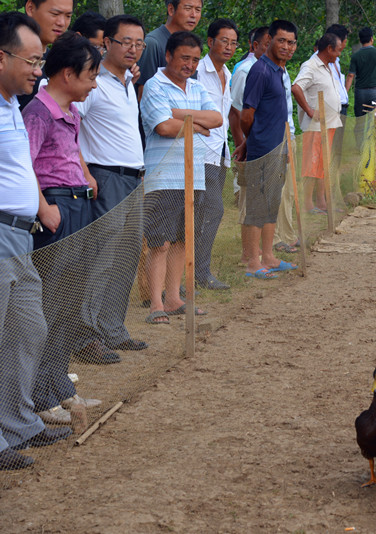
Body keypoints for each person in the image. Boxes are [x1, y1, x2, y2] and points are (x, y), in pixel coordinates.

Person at [0, 11, 72, 471]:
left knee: (28, 329)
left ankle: (18, 424)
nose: (38, 70)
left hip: (20, 238)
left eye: (40, 60)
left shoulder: (11, 103)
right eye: (30, 61)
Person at [23, 31, 106, 426]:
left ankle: (59, 386)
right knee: (50, 304)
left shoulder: (69, 111)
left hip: (78, 204)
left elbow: (71, 154)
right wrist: (46, 209)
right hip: (57, 210)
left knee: (70, 303)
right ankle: (39, 396)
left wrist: (85, 177)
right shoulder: (38, 113)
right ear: (68, 74)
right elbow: (22, 166)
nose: (94, 85)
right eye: (91, 76)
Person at [74, 14, 149, 353]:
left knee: (126, 257)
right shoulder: (93, 82)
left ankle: (113, 330)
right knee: (100, 259)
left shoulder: (128, 82)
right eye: (125, 42)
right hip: (105, 177)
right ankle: (86, 338)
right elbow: (71, 127)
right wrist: (86, 173)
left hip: (134, 178)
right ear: (107, 42)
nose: (133, 49)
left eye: (139, 43)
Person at [139, 31, 221, 325]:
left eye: (195, 60)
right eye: (184, 58)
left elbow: (217, 119)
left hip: (193, 176)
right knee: (160, 242)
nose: (190, 65)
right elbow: (163, 127)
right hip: (163, 176)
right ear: (168, 56)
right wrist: (197, 124)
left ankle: (174, 299)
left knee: (182, 241)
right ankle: (156, 304)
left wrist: (179, 114)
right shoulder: (154, 85)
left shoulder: (197, 87)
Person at [239, 19, 298, 278]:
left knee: (272, 202)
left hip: (279, 147)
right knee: (257, 205)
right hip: (262, 149)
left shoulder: (280, 71)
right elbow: (246, 115)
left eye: (291, 42)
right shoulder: (260, 70)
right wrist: (253, 141)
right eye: (281, 40)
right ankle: (253, 262)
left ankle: (269, 256)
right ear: (269, 41)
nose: (286, 46)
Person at [193, 18, 237, 291]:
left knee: (204, 214)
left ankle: (198, 271)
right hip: (200, 153)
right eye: (224, 41)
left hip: (220, 151)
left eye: (233, 43)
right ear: (210, 42)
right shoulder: (197, 70)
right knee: (213, 210)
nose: (229, 47)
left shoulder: (228, 74)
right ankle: (200, 271)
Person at [229, 25, 268, 265]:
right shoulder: (245, 71)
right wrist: (242, 144)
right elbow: (235, 112)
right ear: (255, 45)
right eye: (268, 44)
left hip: (267, 144)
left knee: (263, 197)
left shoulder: (272, 69)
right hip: (250, 145)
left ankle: (260, 249)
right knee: (249, 199)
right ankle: (249, 253)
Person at [292, 32, 343, 213]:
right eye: (338, 50)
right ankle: (307, 204)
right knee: (311, 164)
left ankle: (321, 202)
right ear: (329, 49)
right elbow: (296, 88)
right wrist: (309, 110)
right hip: (315, 126)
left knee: (323, 164)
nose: (339, 54)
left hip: (329, 124)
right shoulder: (311, 66)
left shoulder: (328, 66)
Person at [135, 0, 202, 99]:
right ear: (171, 9)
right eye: (188, 8)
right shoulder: (153, 43)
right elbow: (143, 95)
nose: (193, 15)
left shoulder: (193, 45)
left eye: (198, 10)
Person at [18, 0, 73, 108]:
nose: (61, 23)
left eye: (68, 16)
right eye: (55, 14)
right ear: (30, 8)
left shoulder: (56, 60)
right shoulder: (11, 57)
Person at [345, 26, 376, 117]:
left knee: (360, 120)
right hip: (375, 92)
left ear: (360, 40)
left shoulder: (356, 56)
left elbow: (350, 75)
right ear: (371, 39)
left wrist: (345, 93)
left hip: (360, 93)